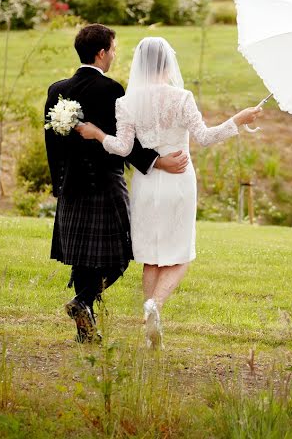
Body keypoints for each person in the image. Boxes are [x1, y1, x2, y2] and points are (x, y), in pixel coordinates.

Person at [75, 36, 261, 347]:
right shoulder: (182, 97)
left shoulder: (126, 102)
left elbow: (121, 148)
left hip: (147, 184)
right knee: (181, 252)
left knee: (151, 255)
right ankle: (154, 306)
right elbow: (203, 137)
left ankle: (150, 335)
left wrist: (96, 134)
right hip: (179, 182)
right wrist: (238, 121)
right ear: (167, 63)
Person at [45, 24, 189, 343]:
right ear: (101, 52)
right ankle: (83, 301)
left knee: (83, 258)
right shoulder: (110, 89)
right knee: (122, 254)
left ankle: (86, 330)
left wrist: (59, 184)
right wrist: (157, 161)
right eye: (112, 48)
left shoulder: (57, 90)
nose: (114, 54)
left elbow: (51, 143)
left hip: (70, 187)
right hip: (105, 185)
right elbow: (128, 141)